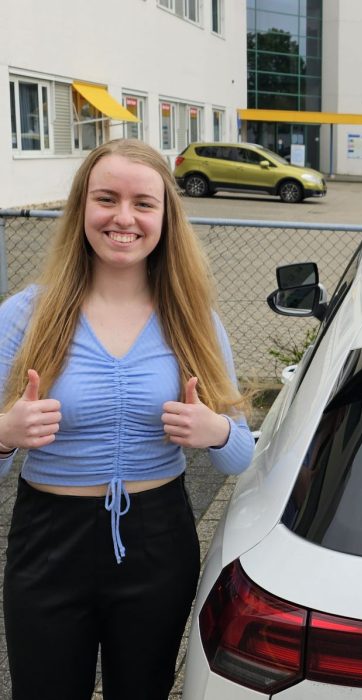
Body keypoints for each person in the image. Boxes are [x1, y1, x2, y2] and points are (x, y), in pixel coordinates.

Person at [0, 139, 255, 699]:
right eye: (106, 199)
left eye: (143, 203)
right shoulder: (25, 316)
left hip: (156, 540)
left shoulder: (193, 320)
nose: (123, 218)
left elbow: (241, 455)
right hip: (48, 541)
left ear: (165, 216)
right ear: (81, 209)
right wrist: (4, 437)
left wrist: (215, 432)